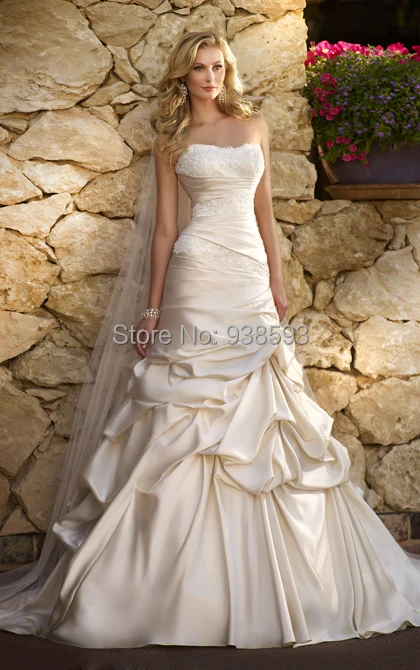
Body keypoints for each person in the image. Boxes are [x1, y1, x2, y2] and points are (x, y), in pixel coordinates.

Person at [1, 30, 420, 650]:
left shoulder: (254, 126)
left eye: (218, 66)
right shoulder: (172, 138)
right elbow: (165, 230)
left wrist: (277, 281)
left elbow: (264, 213)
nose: (210, 76)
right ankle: (164, 584)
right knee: (183, 410)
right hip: (196, 274)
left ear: (228, 71)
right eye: (199, 67)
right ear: (184, 75)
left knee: (265, 403)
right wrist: (151, 310)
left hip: (248, 276)